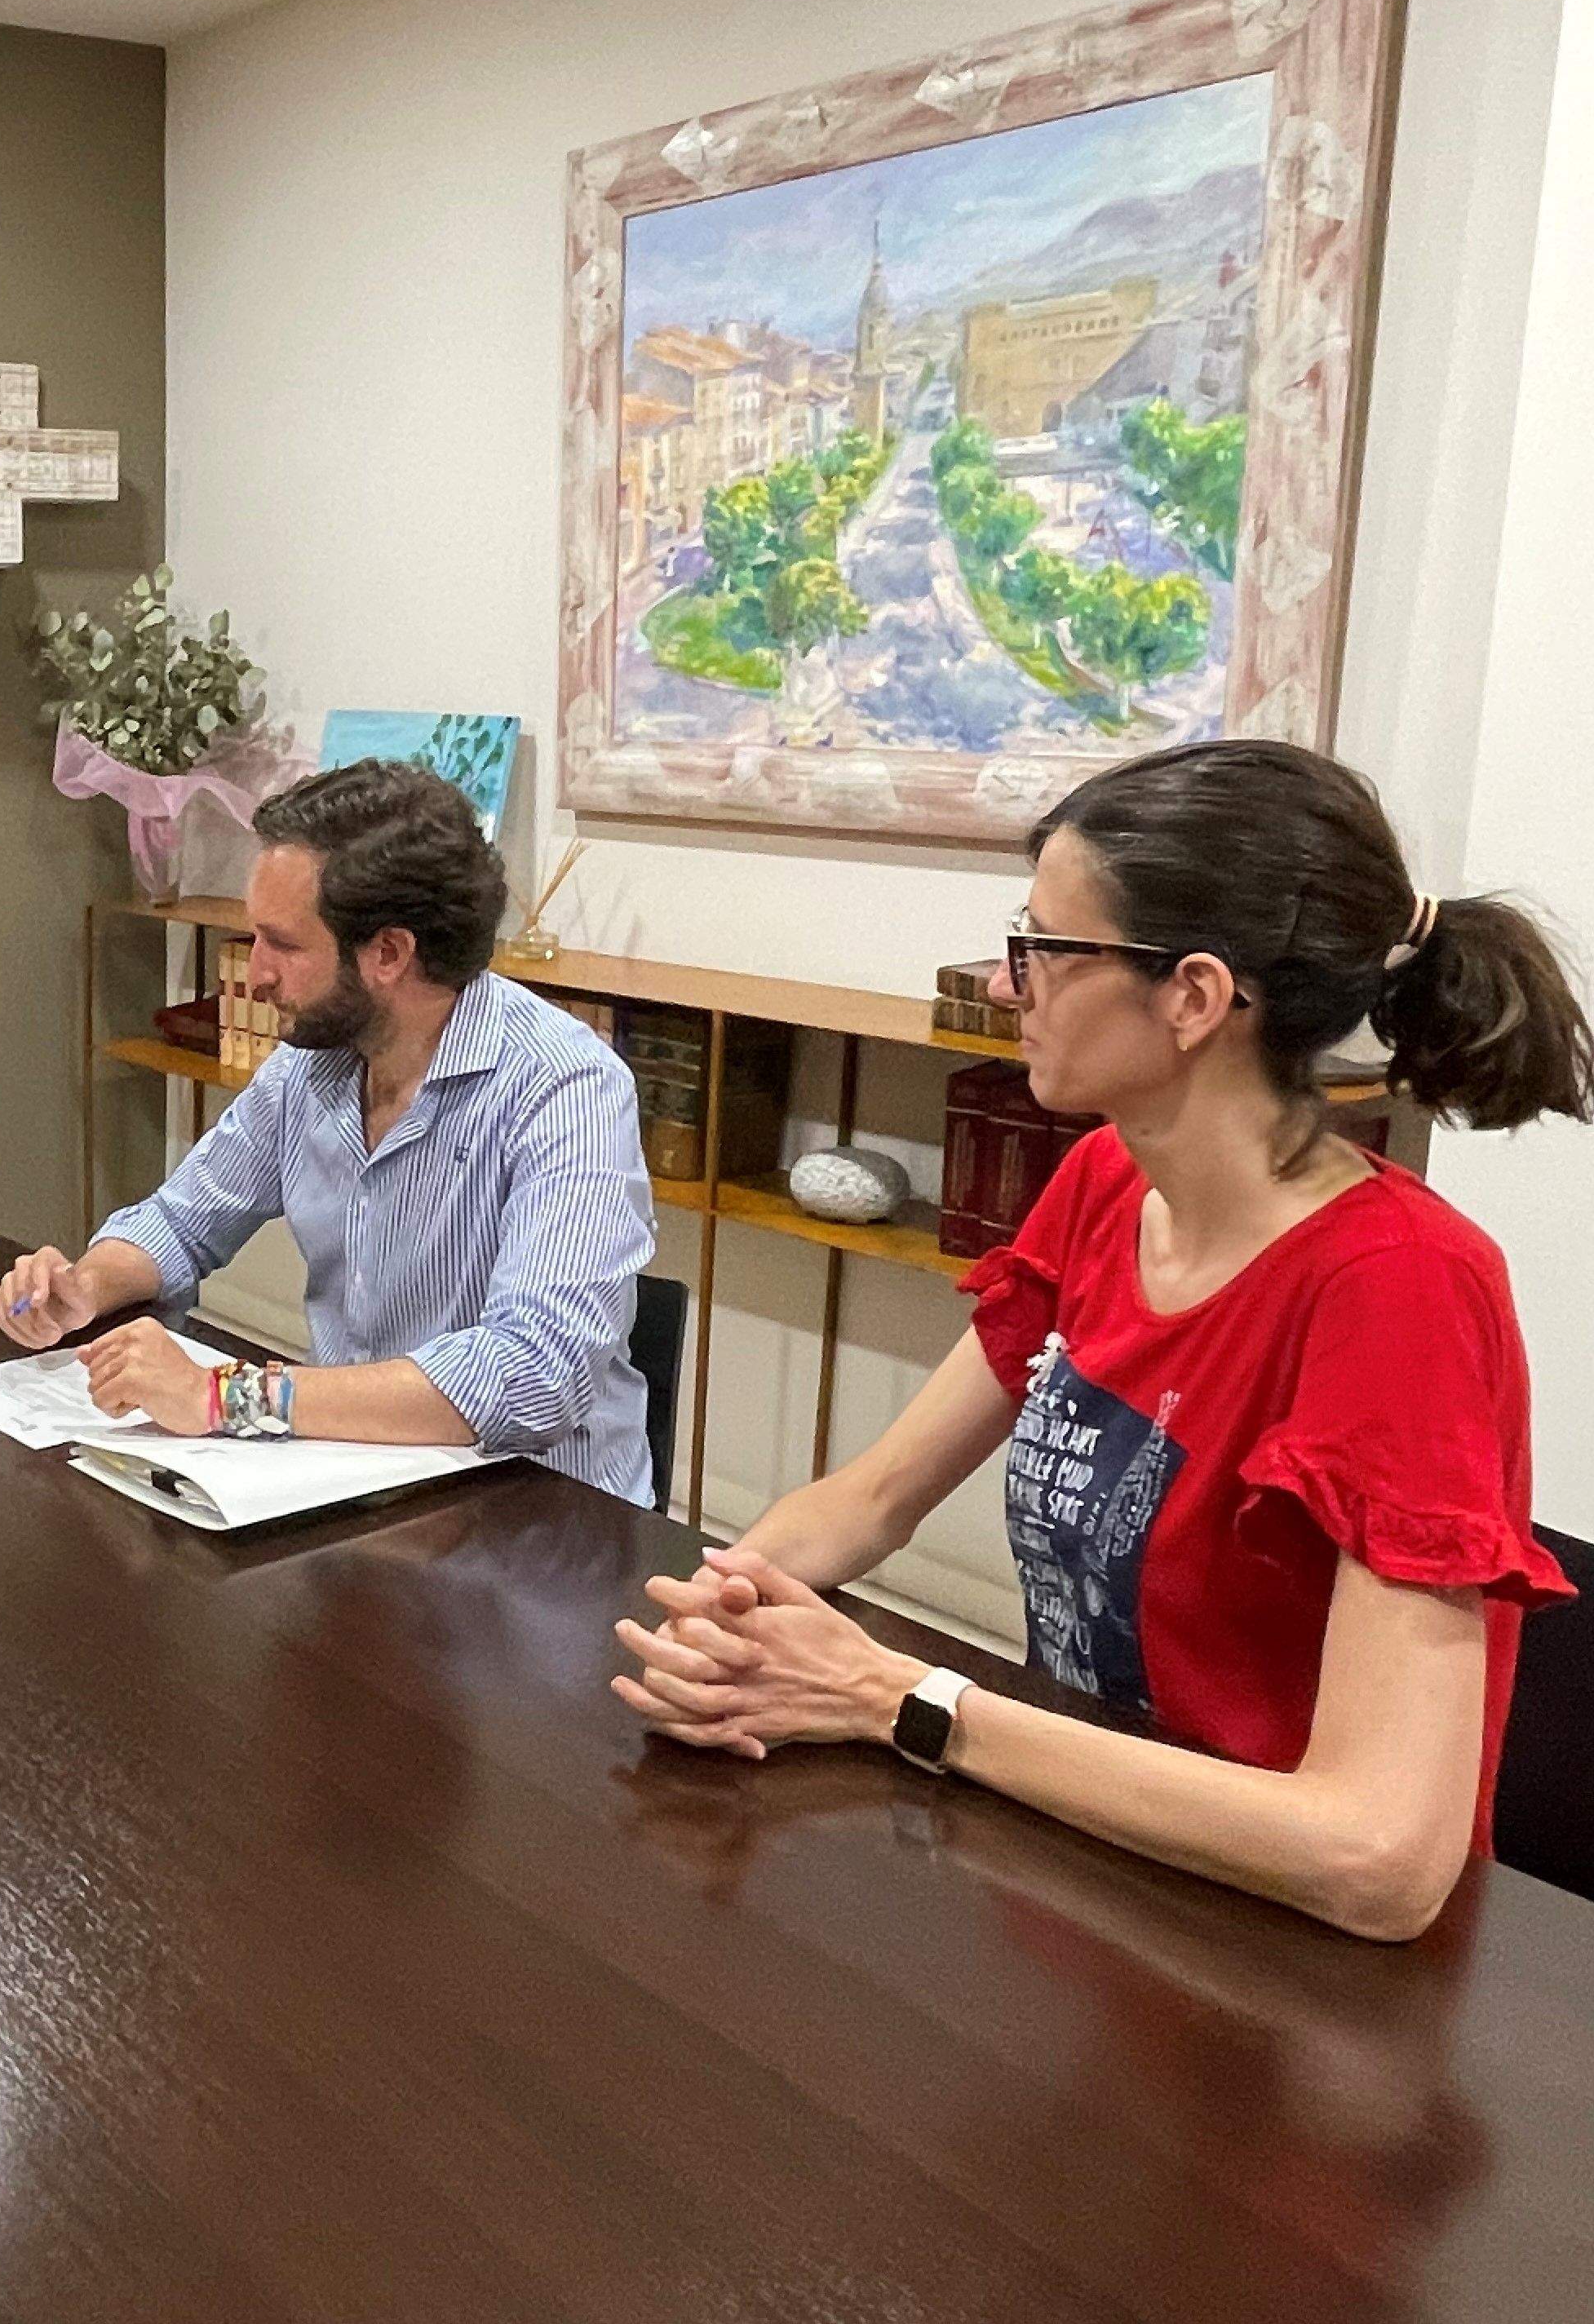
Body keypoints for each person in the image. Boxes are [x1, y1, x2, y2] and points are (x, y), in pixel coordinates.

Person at [610, 740, 1585, 1941]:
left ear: (1194, 997)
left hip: (1290, 1970)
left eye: (1044, 950)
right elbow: (874, 1496)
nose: (1009, 984)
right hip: (1098, 1878)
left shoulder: (1401, 1287)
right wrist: (727, 1620)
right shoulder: (1107, 1184)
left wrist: (900, 1697)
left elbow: (1379, 1859)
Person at [0, 759, 658, 1500]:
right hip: (351, 1483)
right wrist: (84, 1287)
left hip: (537, 1526)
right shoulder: (314, 1064)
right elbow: (180, 1223)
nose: (255, 974)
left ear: (388, 954)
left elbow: (533, 1375)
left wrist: (228, 1398)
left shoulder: (566, 1088)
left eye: (284, 943)